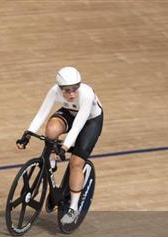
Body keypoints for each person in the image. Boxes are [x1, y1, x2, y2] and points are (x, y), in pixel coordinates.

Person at [16, 66, 103, 225]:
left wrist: (64, 148)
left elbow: (77, 126)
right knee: (51, 129)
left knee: (76, 163)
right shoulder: (54, 91)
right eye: (67, 90)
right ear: (59, 88)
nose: (71, 94)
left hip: (90, 122)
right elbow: (42, 114)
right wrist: (27, 134)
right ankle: (51, 160)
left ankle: (73, 208)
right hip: (70, 113)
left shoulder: (86, 94)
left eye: (75, 89)